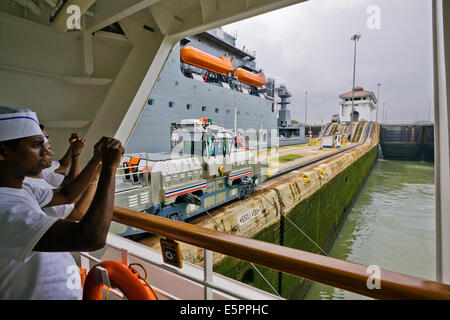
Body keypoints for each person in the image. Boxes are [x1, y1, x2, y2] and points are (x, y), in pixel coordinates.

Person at [0, 106, 124, 299]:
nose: (46, 150)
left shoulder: (22, 189)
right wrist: (109, 168)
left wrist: (96, 158)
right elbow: (91, 238)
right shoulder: (5, 208)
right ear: (3, 152)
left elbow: (67, 194)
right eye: (36, 145)